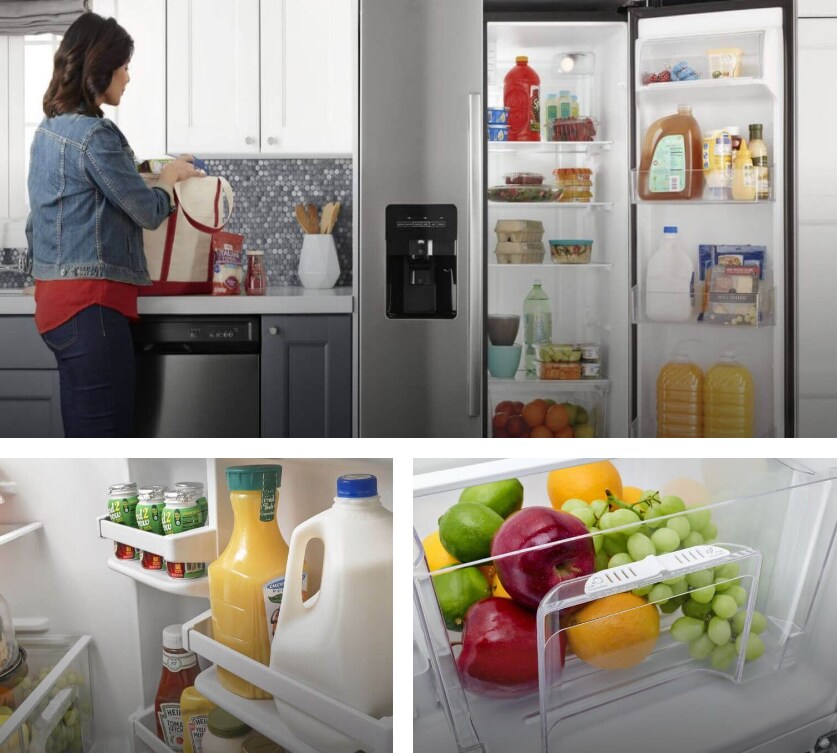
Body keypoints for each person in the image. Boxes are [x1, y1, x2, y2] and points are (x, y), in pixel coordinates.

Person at [26, 11, 202, 437]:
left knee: (86, 438)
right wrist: (168, 179)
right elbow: (147, 211)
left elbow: (42, 221)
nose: (128, 76)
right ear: (100, 68)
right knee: (106, 438)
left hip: (58, 306)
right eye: (124, 66)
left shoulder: (48, 131)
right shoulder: (94, 136)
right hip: (91, 309)